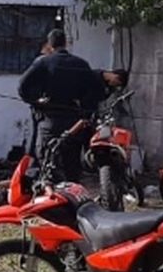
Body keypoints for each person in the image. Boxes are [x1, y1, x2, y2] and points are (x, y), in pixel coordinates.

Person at [18, 29, 107, 182]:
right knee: (72, 166)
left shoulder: (43, 62)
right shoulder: (81, 64)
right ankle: (72, 200)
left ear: (50, 45)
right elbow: (94, 92)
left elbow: (22, 86)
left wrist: (35, 101)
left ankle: (50, 199)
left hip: (49, 121)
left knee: (46, 165)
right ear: (66, 43)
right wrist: (85, 113)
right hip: (74, 123)